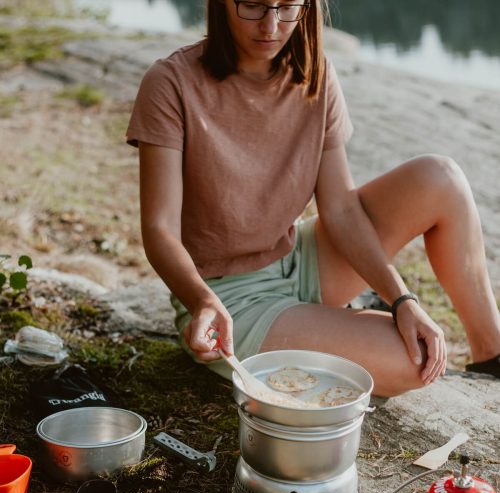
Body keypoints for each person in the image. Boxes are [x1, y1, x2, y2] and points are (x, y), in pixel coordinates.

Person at [126, 0, 500, 396]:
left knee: (440, 178)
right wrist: (201, 301)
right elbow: (159, 229)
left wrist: (402, 299)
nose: (271, 25)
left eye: (286, 7)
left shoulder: (315, 74)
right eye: (253, 6)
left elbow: (340, 209)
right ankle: (328, 323)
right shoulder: (170, 82)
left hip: (297, 258)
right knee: (415, 361)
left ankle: (492, 354)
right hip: (228, 299)